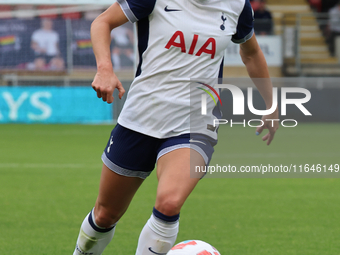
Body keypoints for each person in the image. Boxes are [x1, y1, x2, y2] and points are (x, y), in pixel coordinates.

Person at [72, 0, 279, 254]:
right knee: (105, 214)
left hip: (195, 123)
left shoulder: (237, 5)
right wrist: (104, 68)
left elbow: (251, 53)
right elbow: (102, 22)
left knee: (169, 204)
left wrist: (270, 104)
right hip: (141, 117)